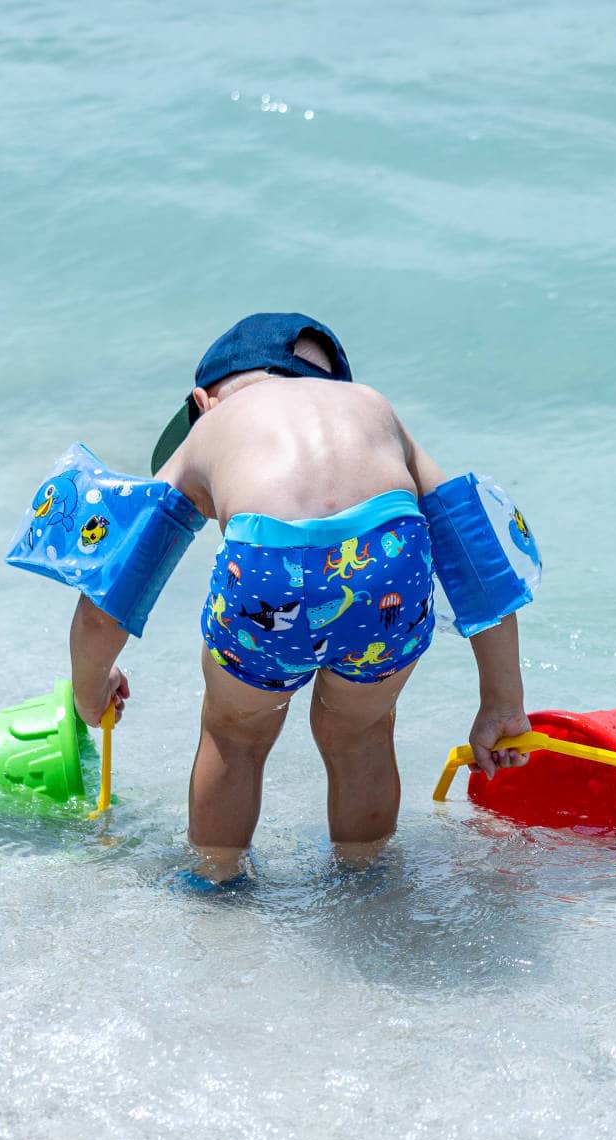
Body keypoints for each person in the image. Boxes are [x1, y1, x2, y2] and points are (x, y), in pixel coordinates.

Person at [66, 313, 533, 884]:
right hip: (387, 562)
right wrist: (502, 702)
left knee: (234, 733)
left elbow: (115, 588)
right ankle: (364, 877)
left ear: (204, 399)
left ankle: (216, 880)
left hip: (269, 570)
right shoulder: (372, 406)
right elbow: (471, 547)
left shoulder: (212, 428)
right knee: (361, 732)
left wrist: (90, 691)